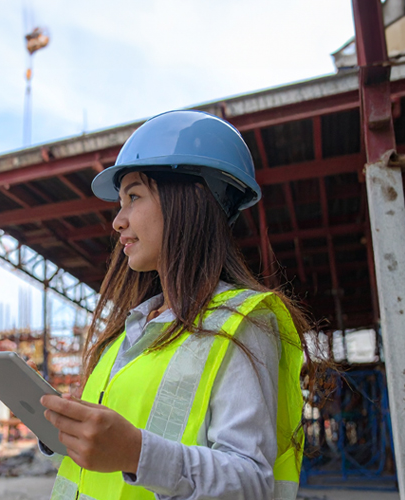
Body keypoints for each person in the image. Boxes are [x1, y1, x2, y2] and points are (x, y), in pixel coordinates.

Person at [39, 110, 324, 500]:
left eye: (133, 196)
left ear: (191, 198)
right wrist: (71, 430)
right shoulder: (131, 330)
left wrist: (137, 453)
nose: (117, 221)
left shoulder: (241, 323)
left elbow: (251, 484)